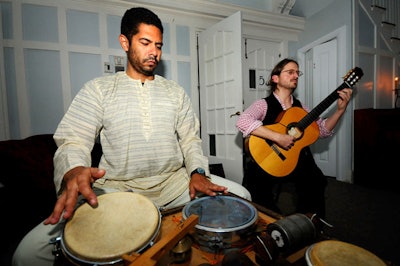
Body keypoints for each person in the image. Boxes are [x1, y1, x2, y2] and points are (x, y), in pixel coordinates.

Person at [13, 7, 250, 266]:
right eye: (145, 42)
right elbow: (74, 139)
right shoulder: (98, 90)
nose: (154, 52)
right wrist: (74, 169)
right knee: (28, 253)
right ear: (125, 42)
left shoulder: (175, 92)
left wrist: (197, 171)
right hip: (116, 189)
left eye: (158, 45)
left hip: (175, 186)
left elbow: (190, 139)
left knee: (243, 198)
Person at [236, 58, 352, 218]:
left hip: (295, 159)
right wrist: (278, 137)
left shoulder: (302, 108)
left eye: (297, 72)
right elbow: (243, 121)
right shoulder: (262, 104)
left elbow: (322, 130)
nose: (296, 75)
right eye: (290, 72)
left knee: (316, 179)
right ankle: (269, 226)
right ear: (275, 79)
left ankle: (309, 223)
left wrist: (340, 110)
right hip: (269, 158)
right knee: (257, 182)